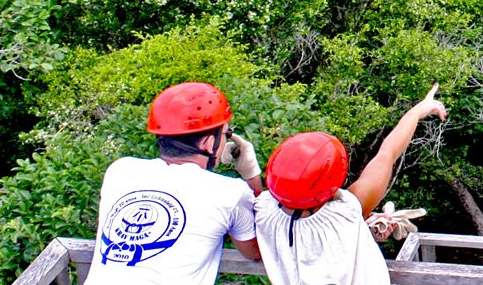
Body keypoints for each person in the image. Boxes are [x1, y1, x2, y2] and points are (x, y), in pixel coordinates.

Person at [254, 84, 448, 284]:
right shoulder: (346, 212)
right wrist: (417, 111)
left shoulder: (264, 212)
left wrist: (362, 226)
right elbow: (387, 154)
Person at [89, 82, 264, 284]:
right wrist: (251, 176)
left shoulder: (120, 170)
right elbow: (256, 250)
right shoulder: (230, 192)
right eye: (226, 134)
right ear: (209, 143)